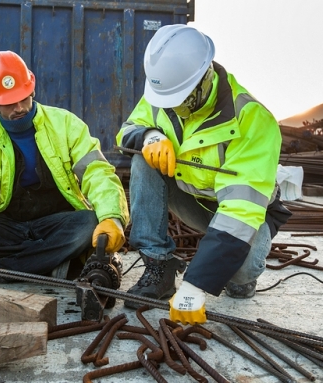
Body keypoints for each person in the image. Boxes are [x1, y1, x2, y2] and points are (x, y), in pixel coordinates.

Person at [116, 25, 291, 324]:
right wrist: (149, 135)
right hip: (189, 196)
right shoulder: (165, 94)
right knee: (142, 161)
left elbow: (238, 214)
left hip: (243, 214)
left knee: (239, 274)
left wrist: (195, 285)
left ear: (204, 78)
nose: (171, 108)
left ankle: (243, 276)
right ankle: (158, 267)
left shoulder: (252, 121)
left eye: (179, 101)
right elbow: (127, 132)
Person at [0, 50, 129, 284]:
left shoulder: (65, 124)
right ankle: (51, 264)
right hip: (8, 228)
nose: (19, 108)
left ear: (32, 89)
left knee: (89, 223)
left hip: (55, 224)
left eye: (23, 97)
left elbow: (97, 172)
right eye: (8, 103)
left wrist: (111, 217)